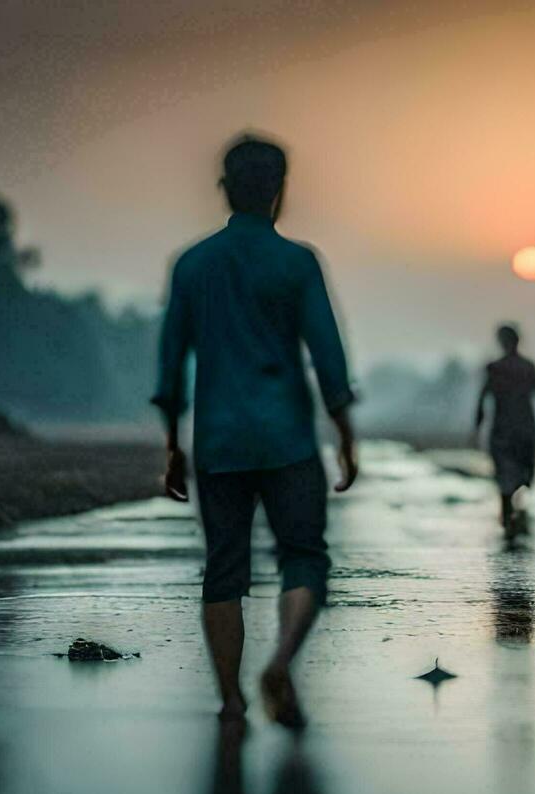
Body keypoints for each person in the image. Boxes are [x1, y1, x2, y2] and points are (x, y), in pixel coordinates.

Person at [152, 133, 358, 727]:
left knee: (223, 567)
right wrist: (344, 432)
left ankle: (231, 700)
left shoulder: (192, 265)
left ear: (224, 189)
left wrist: (172, 444)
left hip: (219, 442)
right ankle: (282, 663)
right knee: (304, 555)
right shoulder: (297, 262)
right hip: (290, 438)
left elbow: (171, 364)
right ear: (280, 191)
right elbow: (327, 356)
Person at [473, 322, 535, 538]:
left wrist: (476, 429)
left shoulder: (495, 368)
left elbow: (481, 401)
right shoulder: (528, 368)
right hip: (524, 431)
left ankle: (508, 518)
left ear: (502, 342)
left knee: (506, 478)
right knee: (523, 476)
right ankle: (514, 516)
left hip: (503, 432)